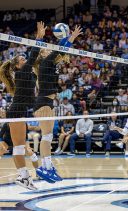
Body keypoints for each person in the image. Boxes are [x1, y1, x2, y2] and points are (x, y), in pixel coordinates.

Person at [34, 25, 82, 183]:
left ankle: (48, 166)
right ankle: (45, 167)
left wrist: (67, 37)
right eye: (45, 50)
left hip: (48, 101)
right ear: (43, 54)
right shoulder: (46, 61)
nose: (48, 50)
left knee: (48, 136)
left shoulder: (49, 63)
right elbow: (61, 49)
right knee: (46, 136)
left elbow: (60, 50)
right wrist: (72, 37)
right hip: (43, 102)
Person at [0, 22, 45, 190]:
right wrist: (39, 37)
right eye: (22, 59)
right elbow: (33, 55)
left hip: (20, 112)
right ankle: (24, 177)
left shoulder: (25, 73)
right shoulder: (22, 72)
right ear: (18, 65)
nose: (25, 60)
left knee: (20, 146)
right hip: (16, 112)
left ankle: (24, 177)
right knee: (18, 147)